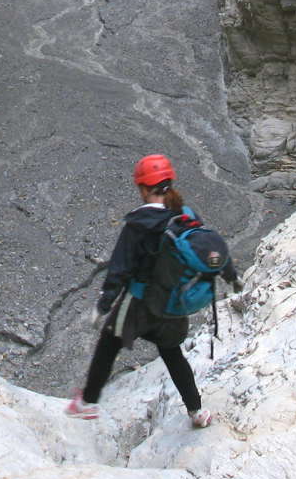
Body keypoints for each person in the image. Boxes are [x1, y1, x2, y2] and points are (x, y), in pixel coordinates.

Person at [66, 153, 240, 427]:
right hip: (173, 304)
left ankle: (87, 403)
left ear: (143, 188)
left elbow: (120, 267)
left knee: (108, 344)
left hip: (139, 304)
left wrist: (104, 303)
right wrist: (232, 277)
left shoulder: (139, 223)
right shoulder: (185, 215)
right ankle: (196, 411)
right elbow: (210, 249)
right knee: (172, 354)